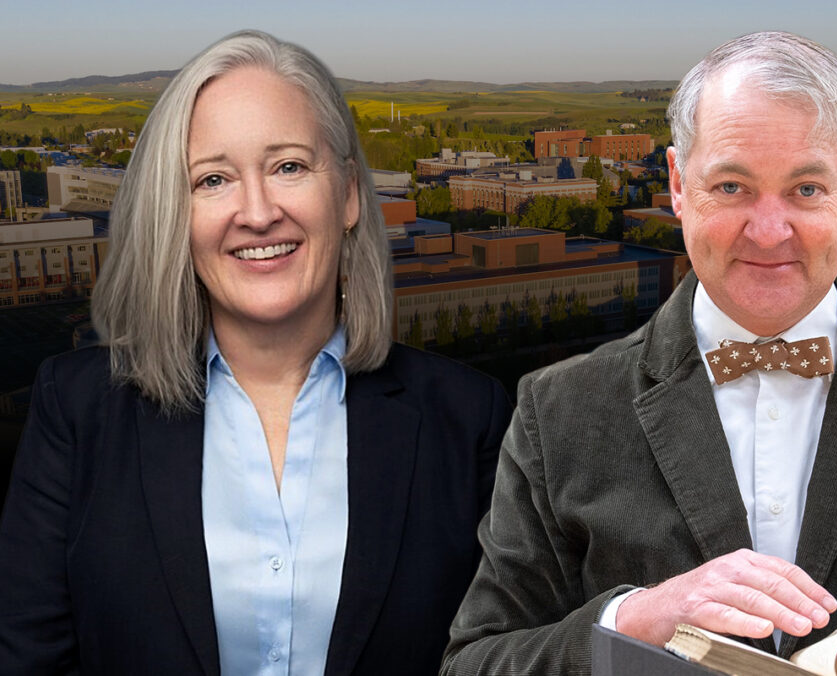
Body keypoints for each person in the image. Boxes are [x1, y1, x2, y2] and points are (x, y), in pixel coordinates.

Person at [442, 31, 837, 674]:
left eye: (806, 189)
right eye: (731, 187)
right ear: (678, 185)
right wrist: (630, 624)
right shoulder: (557, 409)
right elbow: (476, 661)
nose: (769, 231)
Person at [0, 30, 511, 675]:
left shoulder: (469, 418)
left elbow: (501, 655)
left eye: (289, 166)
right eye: (213, 179)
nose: (258, 211)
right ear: (174, 214)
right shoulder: (76, 411)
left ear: (349, 194)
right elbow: (28, 658)